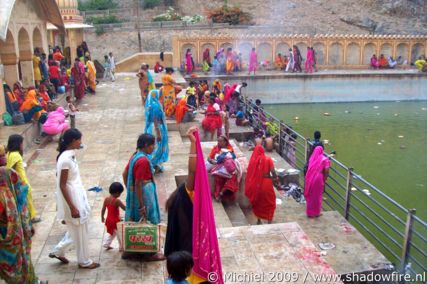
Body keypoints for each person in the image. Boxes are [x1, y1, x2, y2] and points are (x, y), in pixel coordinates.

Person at [164, 127, 222, 283]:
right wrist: (193, 143)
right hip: (190, 251)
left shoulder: (180, 198)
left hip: (182, 249)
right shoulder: (188, 194)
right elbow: (192, 172)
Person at [49, 129, 100, 269]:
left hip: (77, 194)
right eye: (79, 140)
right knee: (80, 230)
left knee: (75, 229)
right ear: (72, 141)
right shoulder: (65, 159)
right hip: (72, 198)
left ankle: (58, 251)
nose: (81, 142)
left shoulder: (69, 155)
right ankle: (84, 261)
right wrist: (72, 207)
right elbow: (62, 184)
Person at [0, 145, 40, 283]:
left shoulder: (9, 176)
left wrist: (27, 224)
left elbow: (21, 203)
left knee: (19, 262)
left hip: (14, 231)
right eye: (1, 156)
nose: (4, 158)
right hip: (10, 231)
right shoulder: (7, 175)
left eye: (4, 154)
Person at [122, 134, 164, 261]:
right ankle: (149, 253)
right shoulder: (143, 161)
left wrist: (131, 191)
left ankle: (131, 250)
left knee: (135, 220)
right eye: (152, 145)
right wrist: (141, 205)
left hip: (139, 193)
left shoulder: (135, 156)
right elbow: (139, 182)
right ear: (146, 145)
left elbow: (125, 174)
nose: (154, 147)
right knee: (148, 219)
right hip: (145, 193)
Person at [6, 134, 39, 223]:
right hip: (21, 181)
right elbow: (11, 169)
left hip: (19, 180)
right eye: (21, 143)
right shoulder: (15, 155)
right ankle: (32, 217)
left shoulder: (9, 154)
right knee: (27, 196)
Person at [245, 145, 279, 224]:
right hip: (266, 183)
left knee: (258, 202)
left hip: (256, 185)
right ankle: (269, 220)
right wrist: (276, 180)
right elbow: (273, 172)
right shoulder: (268, 159)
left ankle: (259, 219)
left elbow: (250, 173)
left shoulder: (253, 161)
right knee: (270, 202)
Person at [207, 135, 240, 202]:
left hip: (227, 166)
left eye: (221, 141)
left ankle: (223, 192)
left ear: (225, 142)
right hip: (218, 166)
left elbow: (232, 159)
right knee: (219, 178)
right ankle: (217, 195)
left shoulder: (229, 148)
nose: (219, 142)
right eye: (218, 141)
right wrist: (212, 161)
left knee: (233, 176)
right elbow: (209, 157)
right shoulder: (216, 148)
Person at [145, 89, 169, 171]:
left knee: (156, 147)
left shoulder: (152, 104)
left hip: (154, 127)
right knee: (157, 147)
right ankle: (152, 164)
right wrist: (158, 133)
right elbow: (155, 119)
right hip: (156, 128)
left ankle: (154, 164)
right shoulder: (155, 106)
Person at [304, 146, 330, 218]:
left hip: (310, 178)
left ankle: (310, 213)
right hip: (318, 178)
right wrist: (325, 178)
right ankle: (316, 212)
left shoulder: (312, 158)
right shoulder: (324, 159)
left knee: (311, 195)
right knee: (317, 196)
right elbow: (326, 171)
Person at [101, 182, 126, 250]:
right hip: (115, 221)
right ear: (117, 193)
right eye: (120, 193)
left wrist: (102, 217)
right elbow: (125, 208)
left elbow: (103, 209)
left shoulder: (106, 199)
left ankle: (106, 244)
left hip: (109, 220)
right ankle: (121, 247)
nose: (120, 195)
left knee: (111, 233)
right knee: (120, 235)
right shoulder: (117, 201)